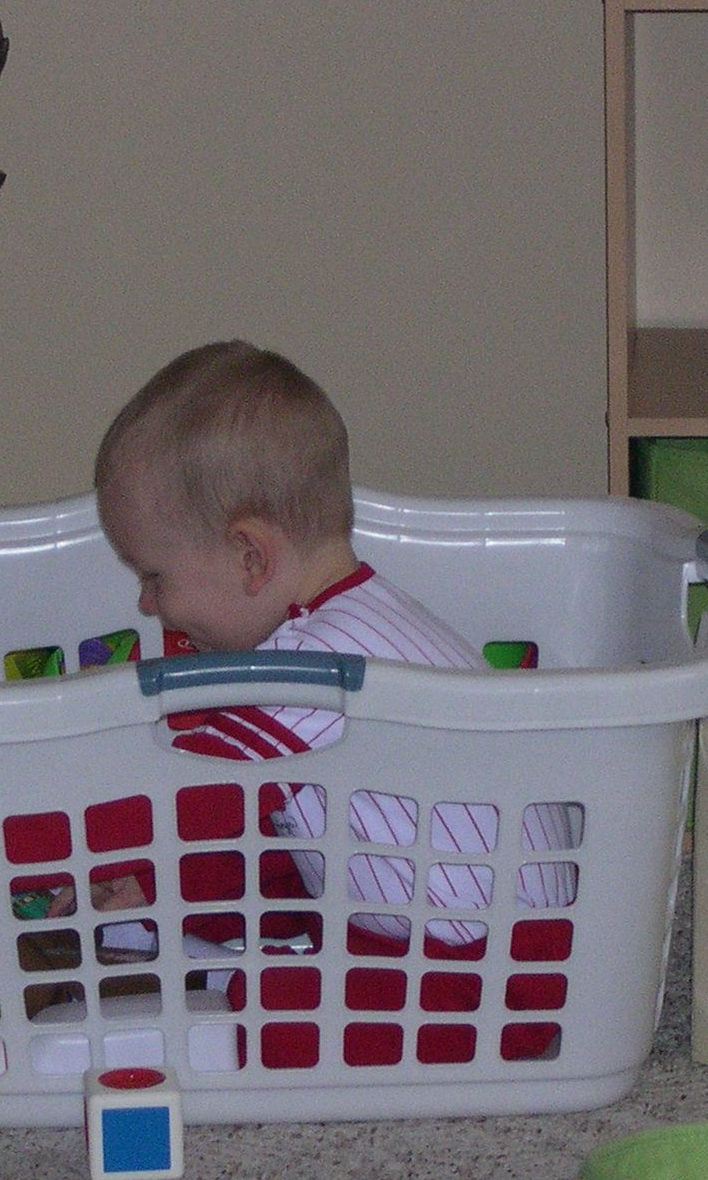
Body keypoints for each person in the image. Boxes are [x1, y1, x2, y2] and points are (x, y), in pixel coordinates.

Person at [93, 341, 571, 951]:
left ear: (250, 558)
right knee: (254, 905)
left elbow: (176, 794)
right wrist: (158, 883)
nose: (146, 606)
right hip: (455, 931)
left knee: (279, 1017)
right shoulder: (350, 617)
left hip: (484, 965)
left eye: (155, 578)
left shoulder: (322, 668)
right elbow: (277, 850)